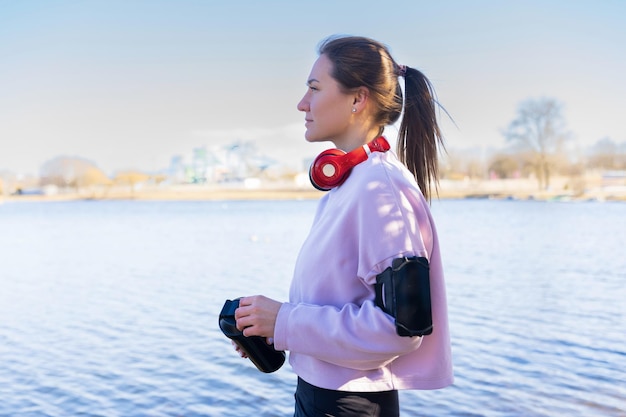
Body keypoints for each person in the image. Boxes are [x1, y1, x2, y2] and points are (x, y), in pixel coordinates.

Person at [234, 34, 453, 417]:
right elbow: (339, 305)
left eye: (315, 89)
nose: (302, 103)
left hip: (349, 405)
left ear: (357, 99)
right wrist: (271, 329)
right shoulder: (351, 185)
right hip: (320, 395)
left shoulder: (381, 190)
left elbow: (402, 327)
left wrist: (284, 320)